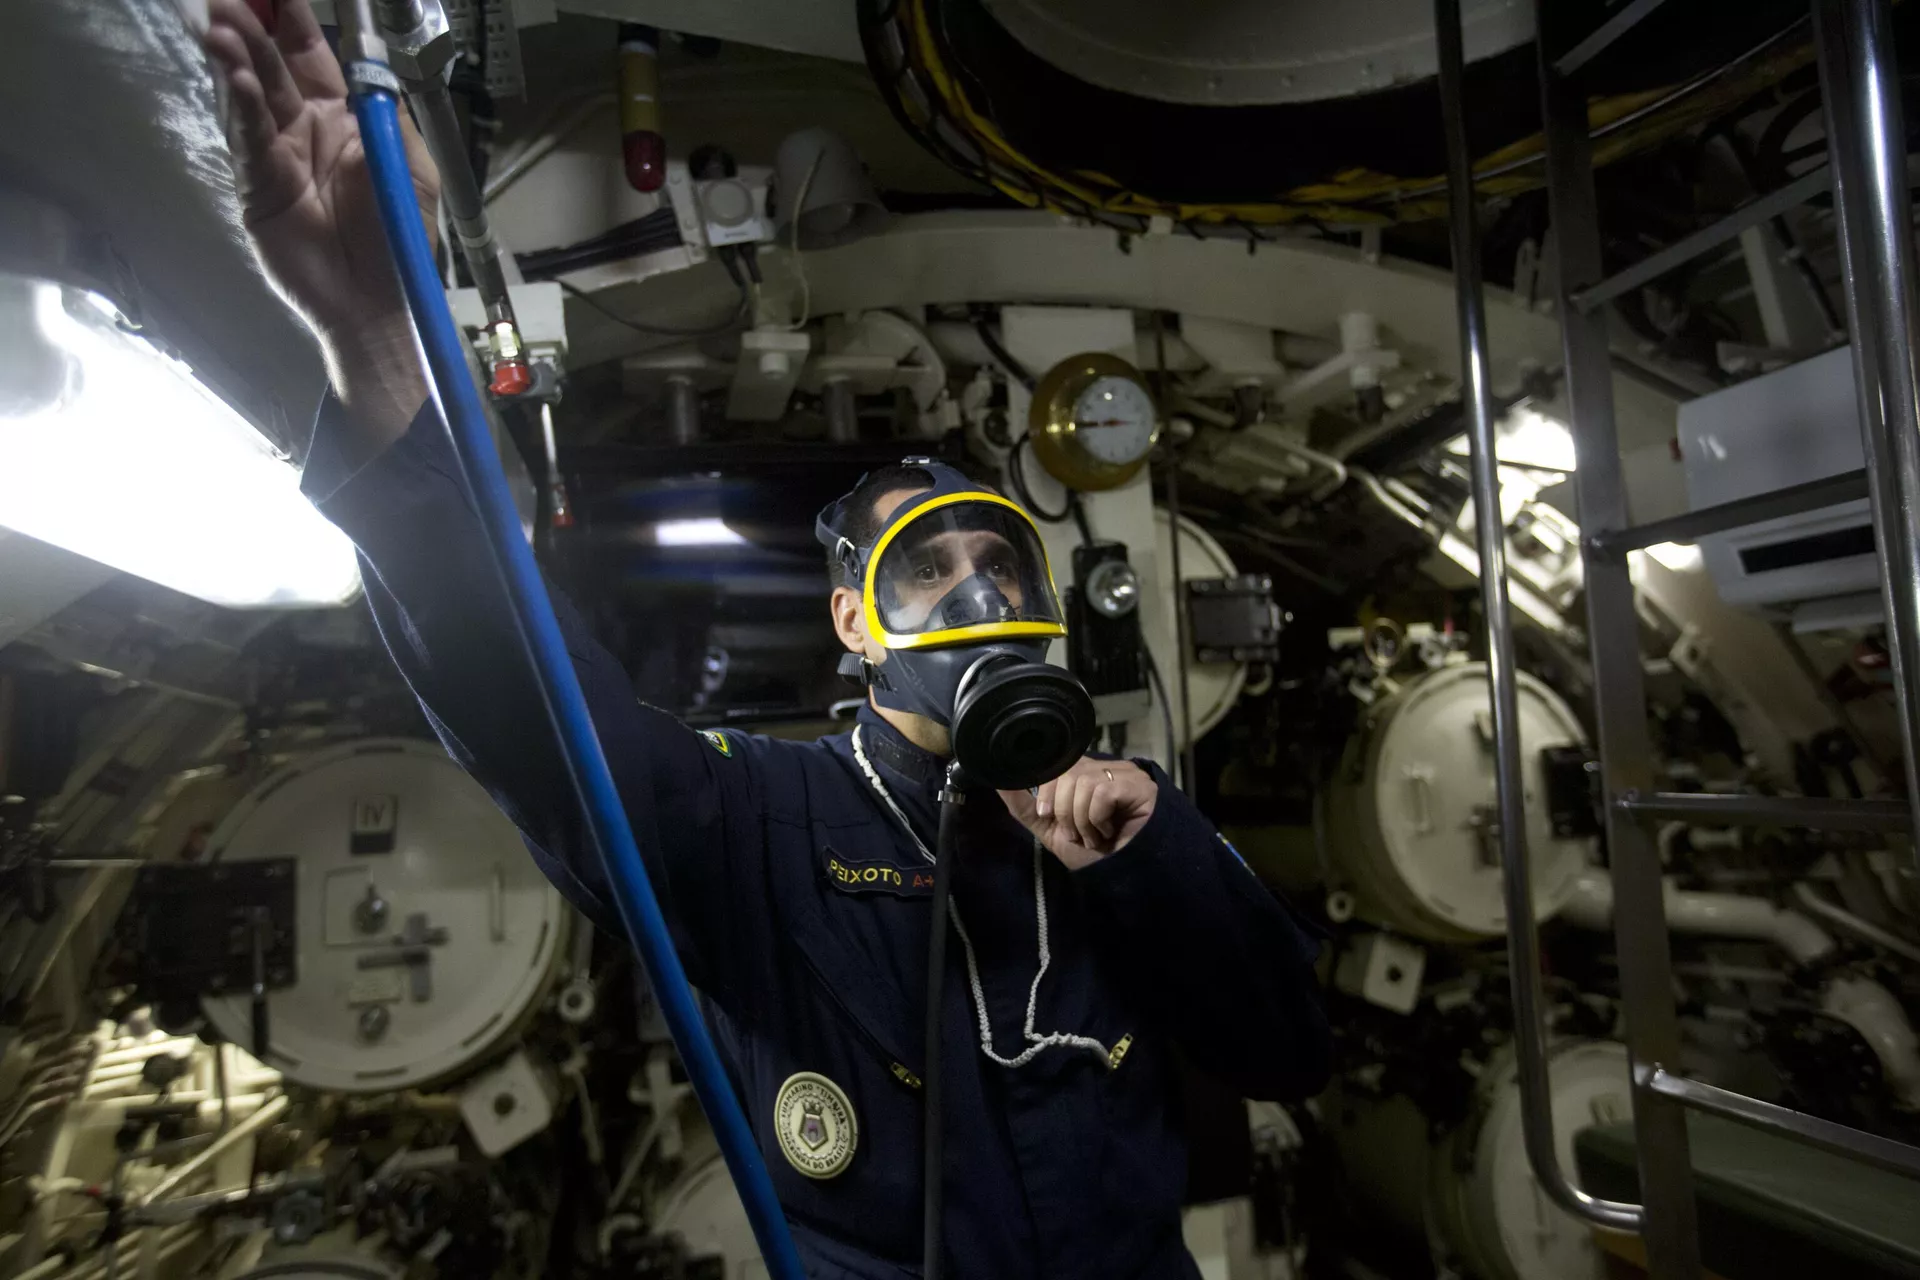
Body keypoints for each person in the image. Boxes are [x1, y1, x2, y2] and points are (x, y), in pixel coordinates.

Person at [202, 2, 1331, 1276]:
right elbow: (536, 710)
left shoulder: (1116, 827)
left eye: (999, 565)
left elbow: (1289, 1050)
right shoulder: (756, 821)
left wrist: (1157, 852)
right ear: (854, 623)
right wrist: (375, 345)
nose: (971, 596)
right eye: (928, 570)